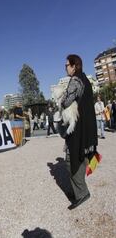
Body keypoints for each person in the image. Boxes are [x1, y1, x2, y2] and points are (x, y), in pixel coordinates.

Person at [61, 54, 97, 210]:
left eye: (66, 65)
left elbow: (66, 101)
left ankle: (82, 193)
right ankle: (79, 189)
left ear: (74, 66)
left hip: (78, 127)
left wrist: (61, 99)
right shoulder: (85, 79)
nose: (65, 68)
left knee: (72, 160)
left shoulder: (75, 80)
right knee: (81, 156)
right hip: (88, 127)